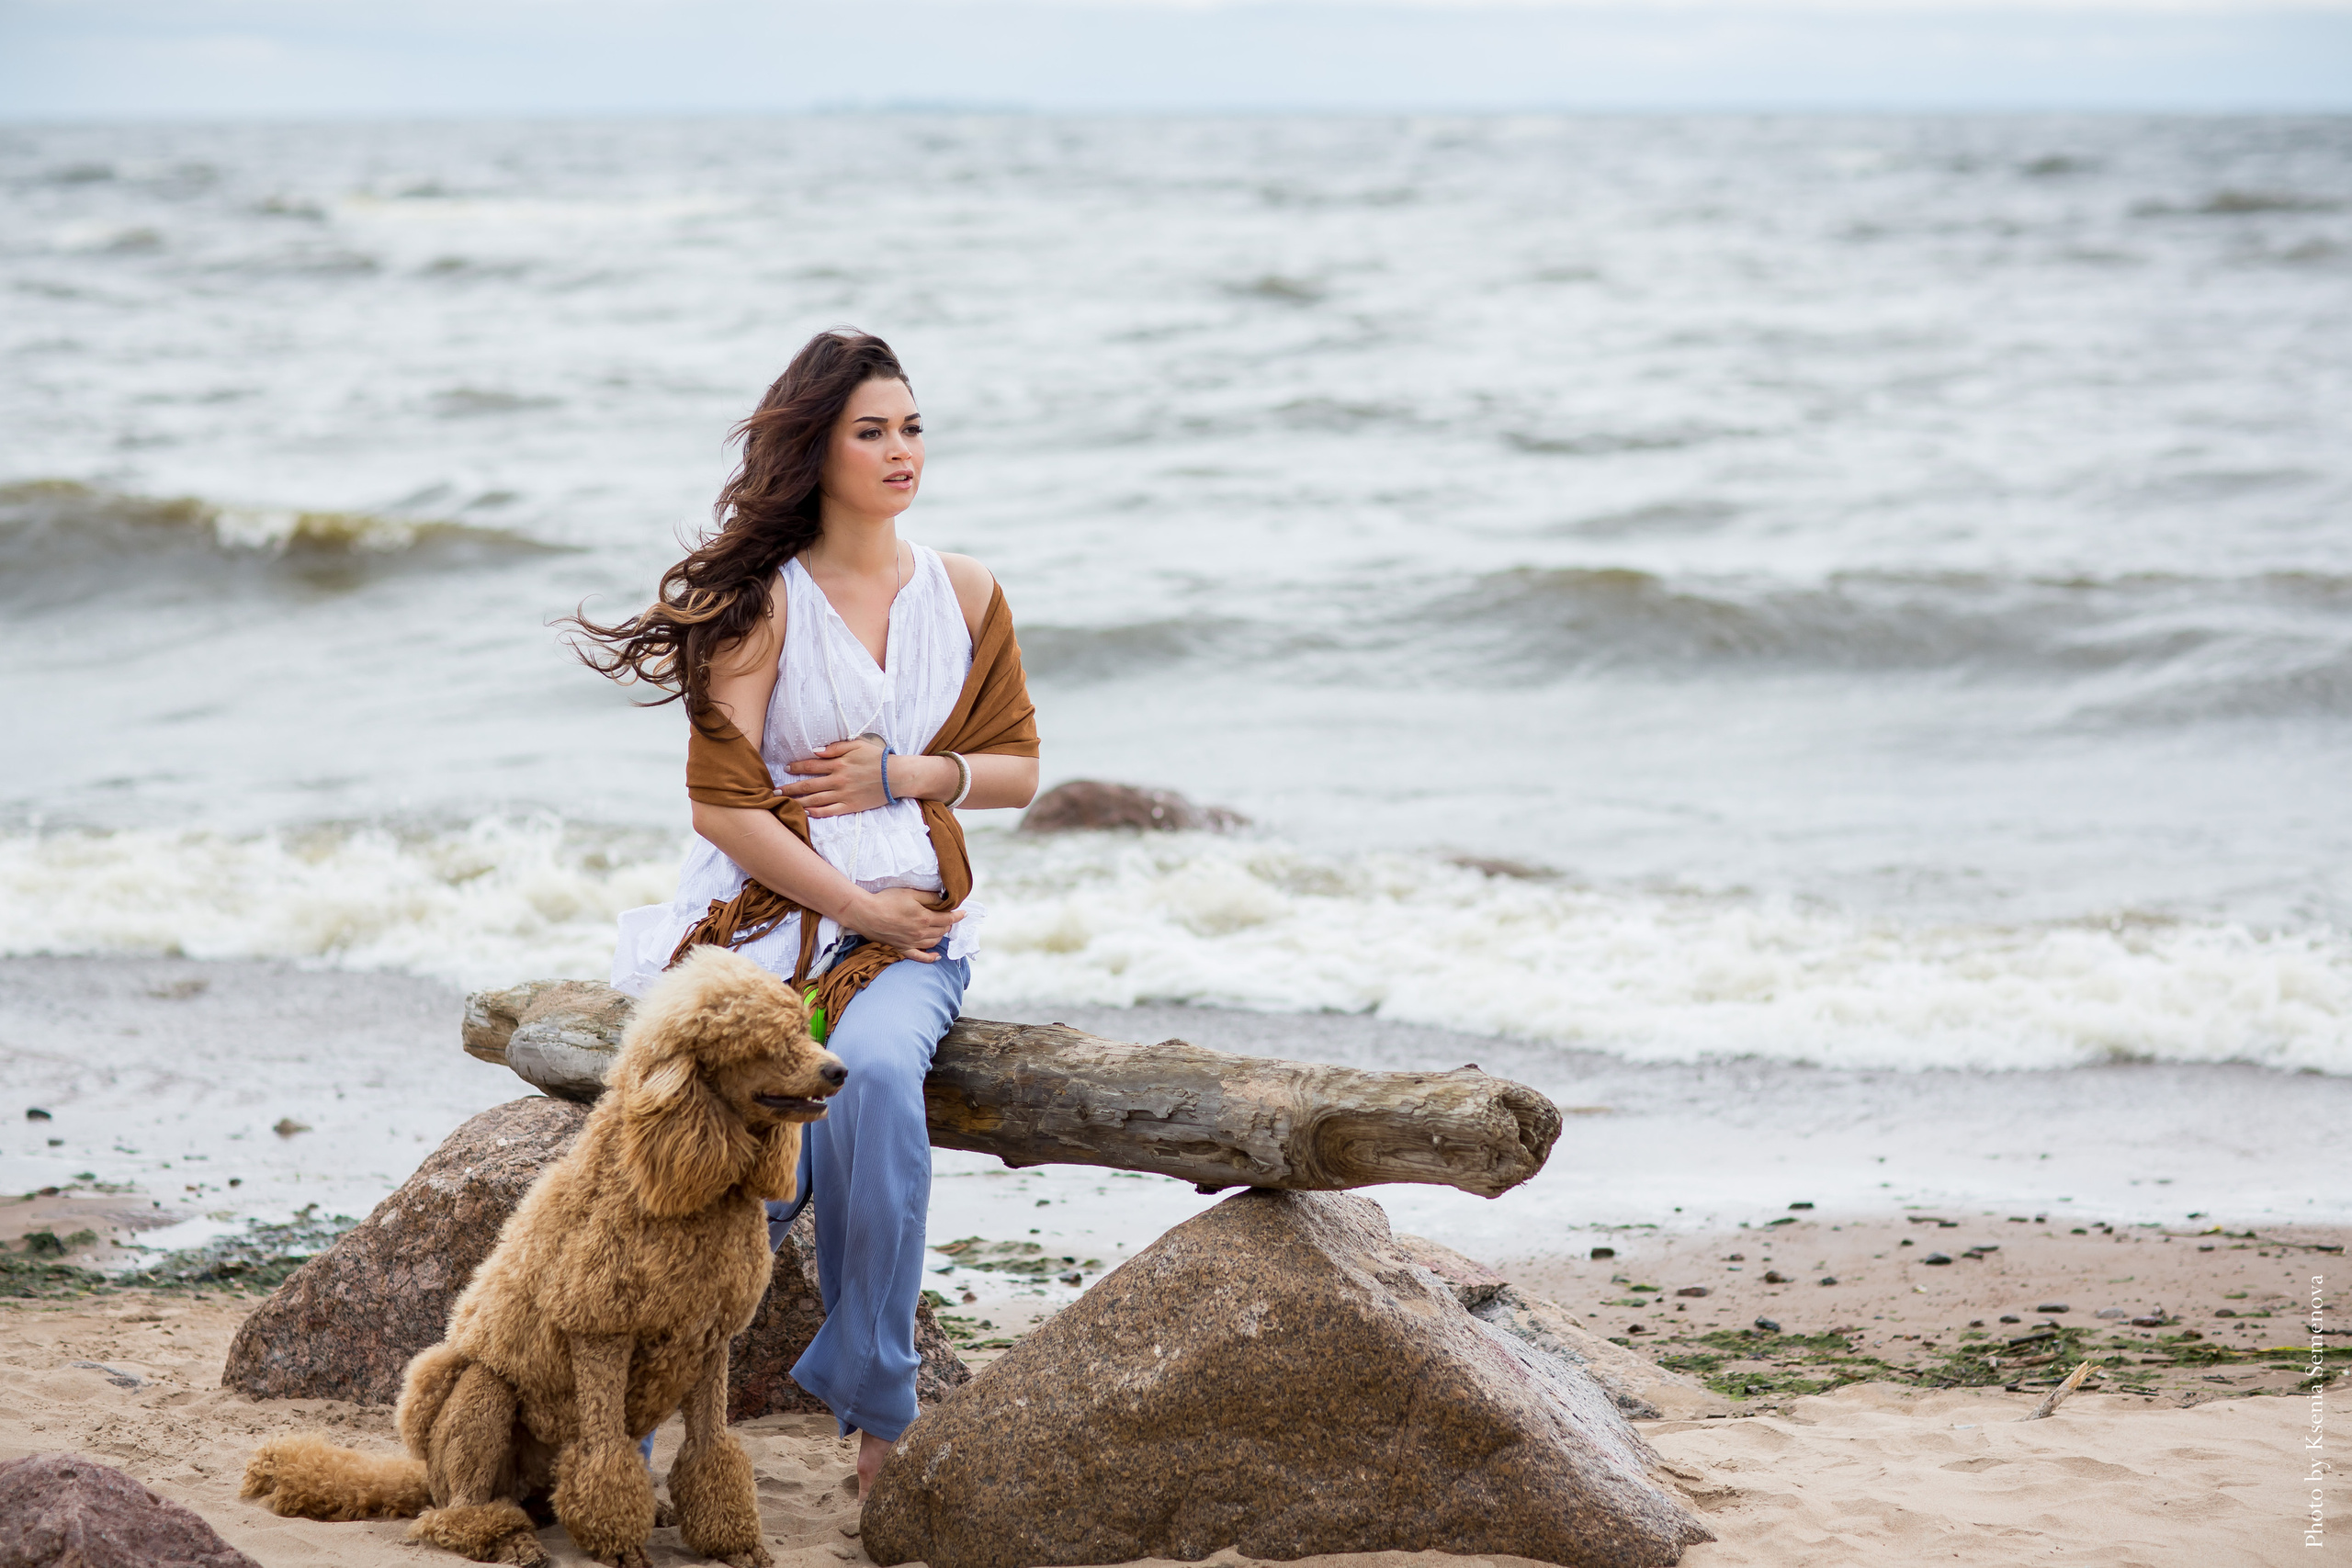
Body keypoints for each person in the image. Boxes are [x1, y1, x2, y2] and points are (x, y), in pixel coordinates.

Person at [568, 328, 1039, 1497]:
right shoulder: (761, 605)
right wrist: (848, 901)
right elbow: (720, 807)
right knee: (757, 1147)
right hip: (761, 935)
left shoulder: (966, 591)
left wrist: (911, 778)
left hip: (917, 934)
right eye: (870, 431)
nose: (900, 452)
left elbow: (1019, 768)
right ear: (815, 451)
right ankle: (618, 1431)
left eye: (912, 427)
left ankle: (880, 1402)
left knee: (873, 1078)